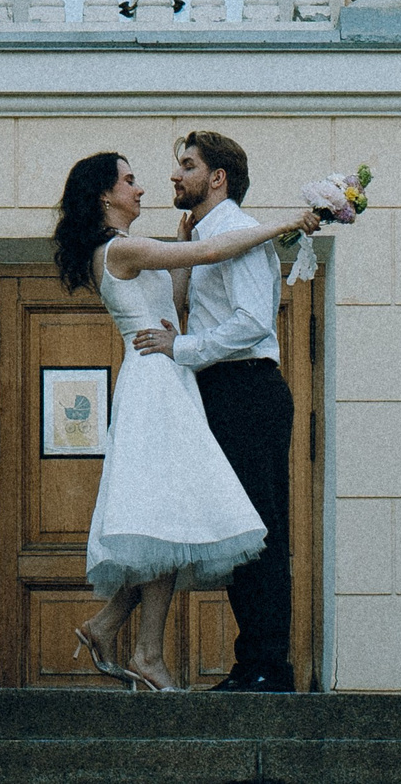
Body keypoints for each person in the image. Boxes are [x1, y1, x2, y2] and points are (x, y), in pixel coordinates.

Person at [53, 152, 319, 692]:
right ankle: (142, 651)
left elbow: (174, 306)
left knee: (170, 515)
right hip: (156, 381)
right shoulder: (120, 248)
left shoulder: (129, 250)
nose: (142, 189)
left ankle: (115, 631)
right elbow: (216, 248)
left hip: (169, 375)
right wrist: (290, 221)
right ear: (105, 195)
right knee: (167, 516)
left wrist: (180, 257)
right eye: (130, 181)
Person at [130, 130, 298, 692]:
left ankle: (267, 668)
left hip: (247, 389)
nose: (175, 176)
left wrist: (182, 349)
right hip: (222, 391)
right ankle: (254, 663)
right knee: (238, 527)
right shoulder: (206, 236)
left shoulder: (236, 234)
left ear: (217, 178)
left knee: (260, 531)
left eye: (187, 165)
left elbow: (253, 321)